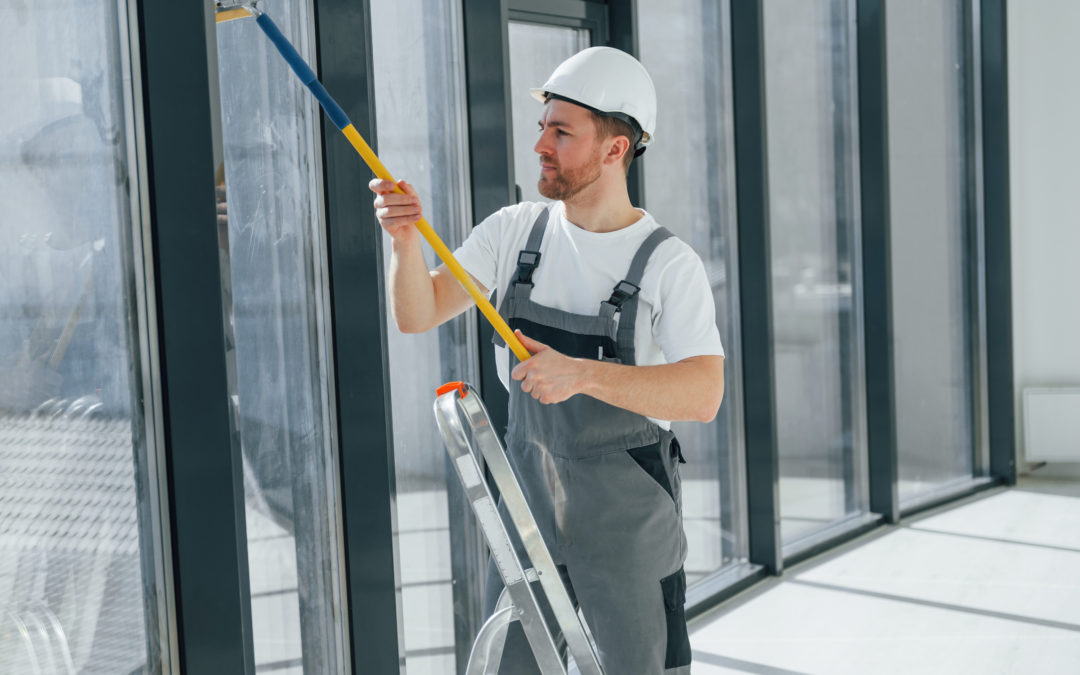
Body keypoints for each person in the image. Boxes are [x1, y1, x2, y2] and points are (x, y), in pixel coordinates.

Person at [371, 46, 724, 675]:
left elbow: (703, 393)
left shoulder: (668, 264)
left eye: (562, 131)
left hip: (628, 515)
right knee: (510, 663)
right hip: (527, 498)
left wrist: (582, 372)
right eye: (543, 127)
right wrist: (402, 244)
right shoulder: (515, 233)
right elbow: (417, 313)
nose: (541, 144)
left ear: (616, 149)